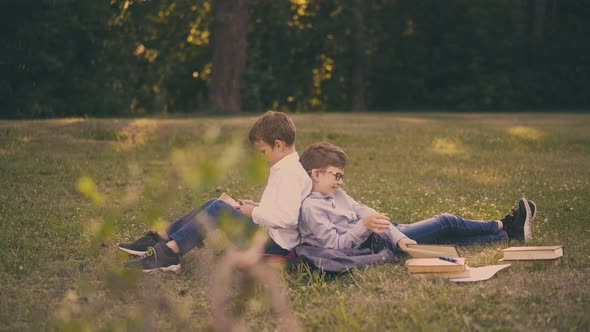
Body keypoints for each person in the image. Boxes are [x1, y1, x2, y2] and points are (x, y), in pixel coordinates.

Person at [119, 111, 312, 272]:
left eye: (263, 151)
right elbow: (283, 208)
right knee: (214, 203)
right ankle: (162, 238)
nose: (261, 157)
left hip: (276, 248)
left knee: (218, 208)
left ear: (278, 144)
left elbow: (288, 219)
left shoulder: (291, 174)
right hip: (269, 237)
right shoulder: (285, 168)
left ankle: (169, 254)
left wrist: (252, 213)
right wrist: (256, 206)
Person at [297, 142, 536, 253]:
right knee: (444, 222)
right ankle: (505, 224)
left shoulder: (336, 193)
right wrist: (365, 227)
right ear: (317, 174)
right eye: (337, 175)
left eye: (342, 177)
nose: (340, 181)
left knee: (442, 240)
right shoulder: (311, 208)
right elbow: (335, 247)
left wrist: (396, 234)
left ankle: (507, 234)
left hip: (384, 234)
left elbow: (365, 212)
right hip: (374, 245)